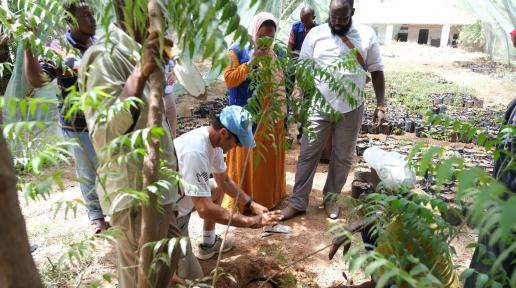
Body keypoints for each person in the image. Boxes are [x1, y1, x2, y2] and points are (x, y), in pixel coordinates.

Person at [79, 2, 181, 286]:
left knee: (164, 261)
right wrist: (139, 73)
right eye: (157, 14)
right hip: (136, 193)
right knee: (139, 278)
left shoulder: (140, 51)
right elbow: (103, 134)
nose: (164, 22)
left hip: (159, 189)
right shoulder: (103, 57)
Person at [281, 0, 386, 220]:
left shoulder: (366, 34)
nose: (337, 22)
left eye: (343, 18)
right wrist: (299, 100)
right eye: (333, 17)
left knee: (343, 157)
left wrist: (380, 105)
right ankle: (298, 202)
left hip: (351, 108)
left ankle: (331, 199)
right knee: (308, 154)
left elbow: (376, 71)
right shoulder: (315, 34)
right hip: (319, 107)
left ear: (352, 13)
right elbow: (303, 69)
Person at [23, 0, 108, 234]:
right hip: (77, 124)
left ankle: (114, 209)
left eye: (92, 15)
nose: (92, 20)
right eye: (85, 16)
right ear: (70, 20)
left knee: (109, 166)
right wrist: (29, 47)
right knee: (87, 171)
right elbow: (38, 80)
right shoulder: (59, 49)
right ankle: (96, 215)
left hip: (105, 120)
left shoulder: (98, 42)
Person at [173, 105, 283, 280]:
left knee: (216, 188)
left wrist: (251, 204)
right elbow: (205, 209)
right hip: (169, 216)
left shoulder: (214, 142)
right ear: (224, 132)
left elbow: (224, 181)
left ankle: (209, 243)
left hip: (182, 199)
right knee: (193, 279)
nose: (238, 147)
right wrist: (251, 221)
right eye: (237, 142)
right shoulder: (195, 152)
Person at [222, 12, 287, 210]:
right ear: (253, 32)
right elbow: (229, 79)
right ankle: (242, 202)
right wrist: (250, 63)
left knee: (265, 164)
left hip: (271, 118)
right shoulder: (236, 51)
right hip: (244, 117)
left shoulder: (279, 54)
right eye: (262, 36)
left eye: (270, 37)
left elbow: (283, 84)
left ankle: (266, 199)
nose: (266, 41)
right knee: (245, 162)